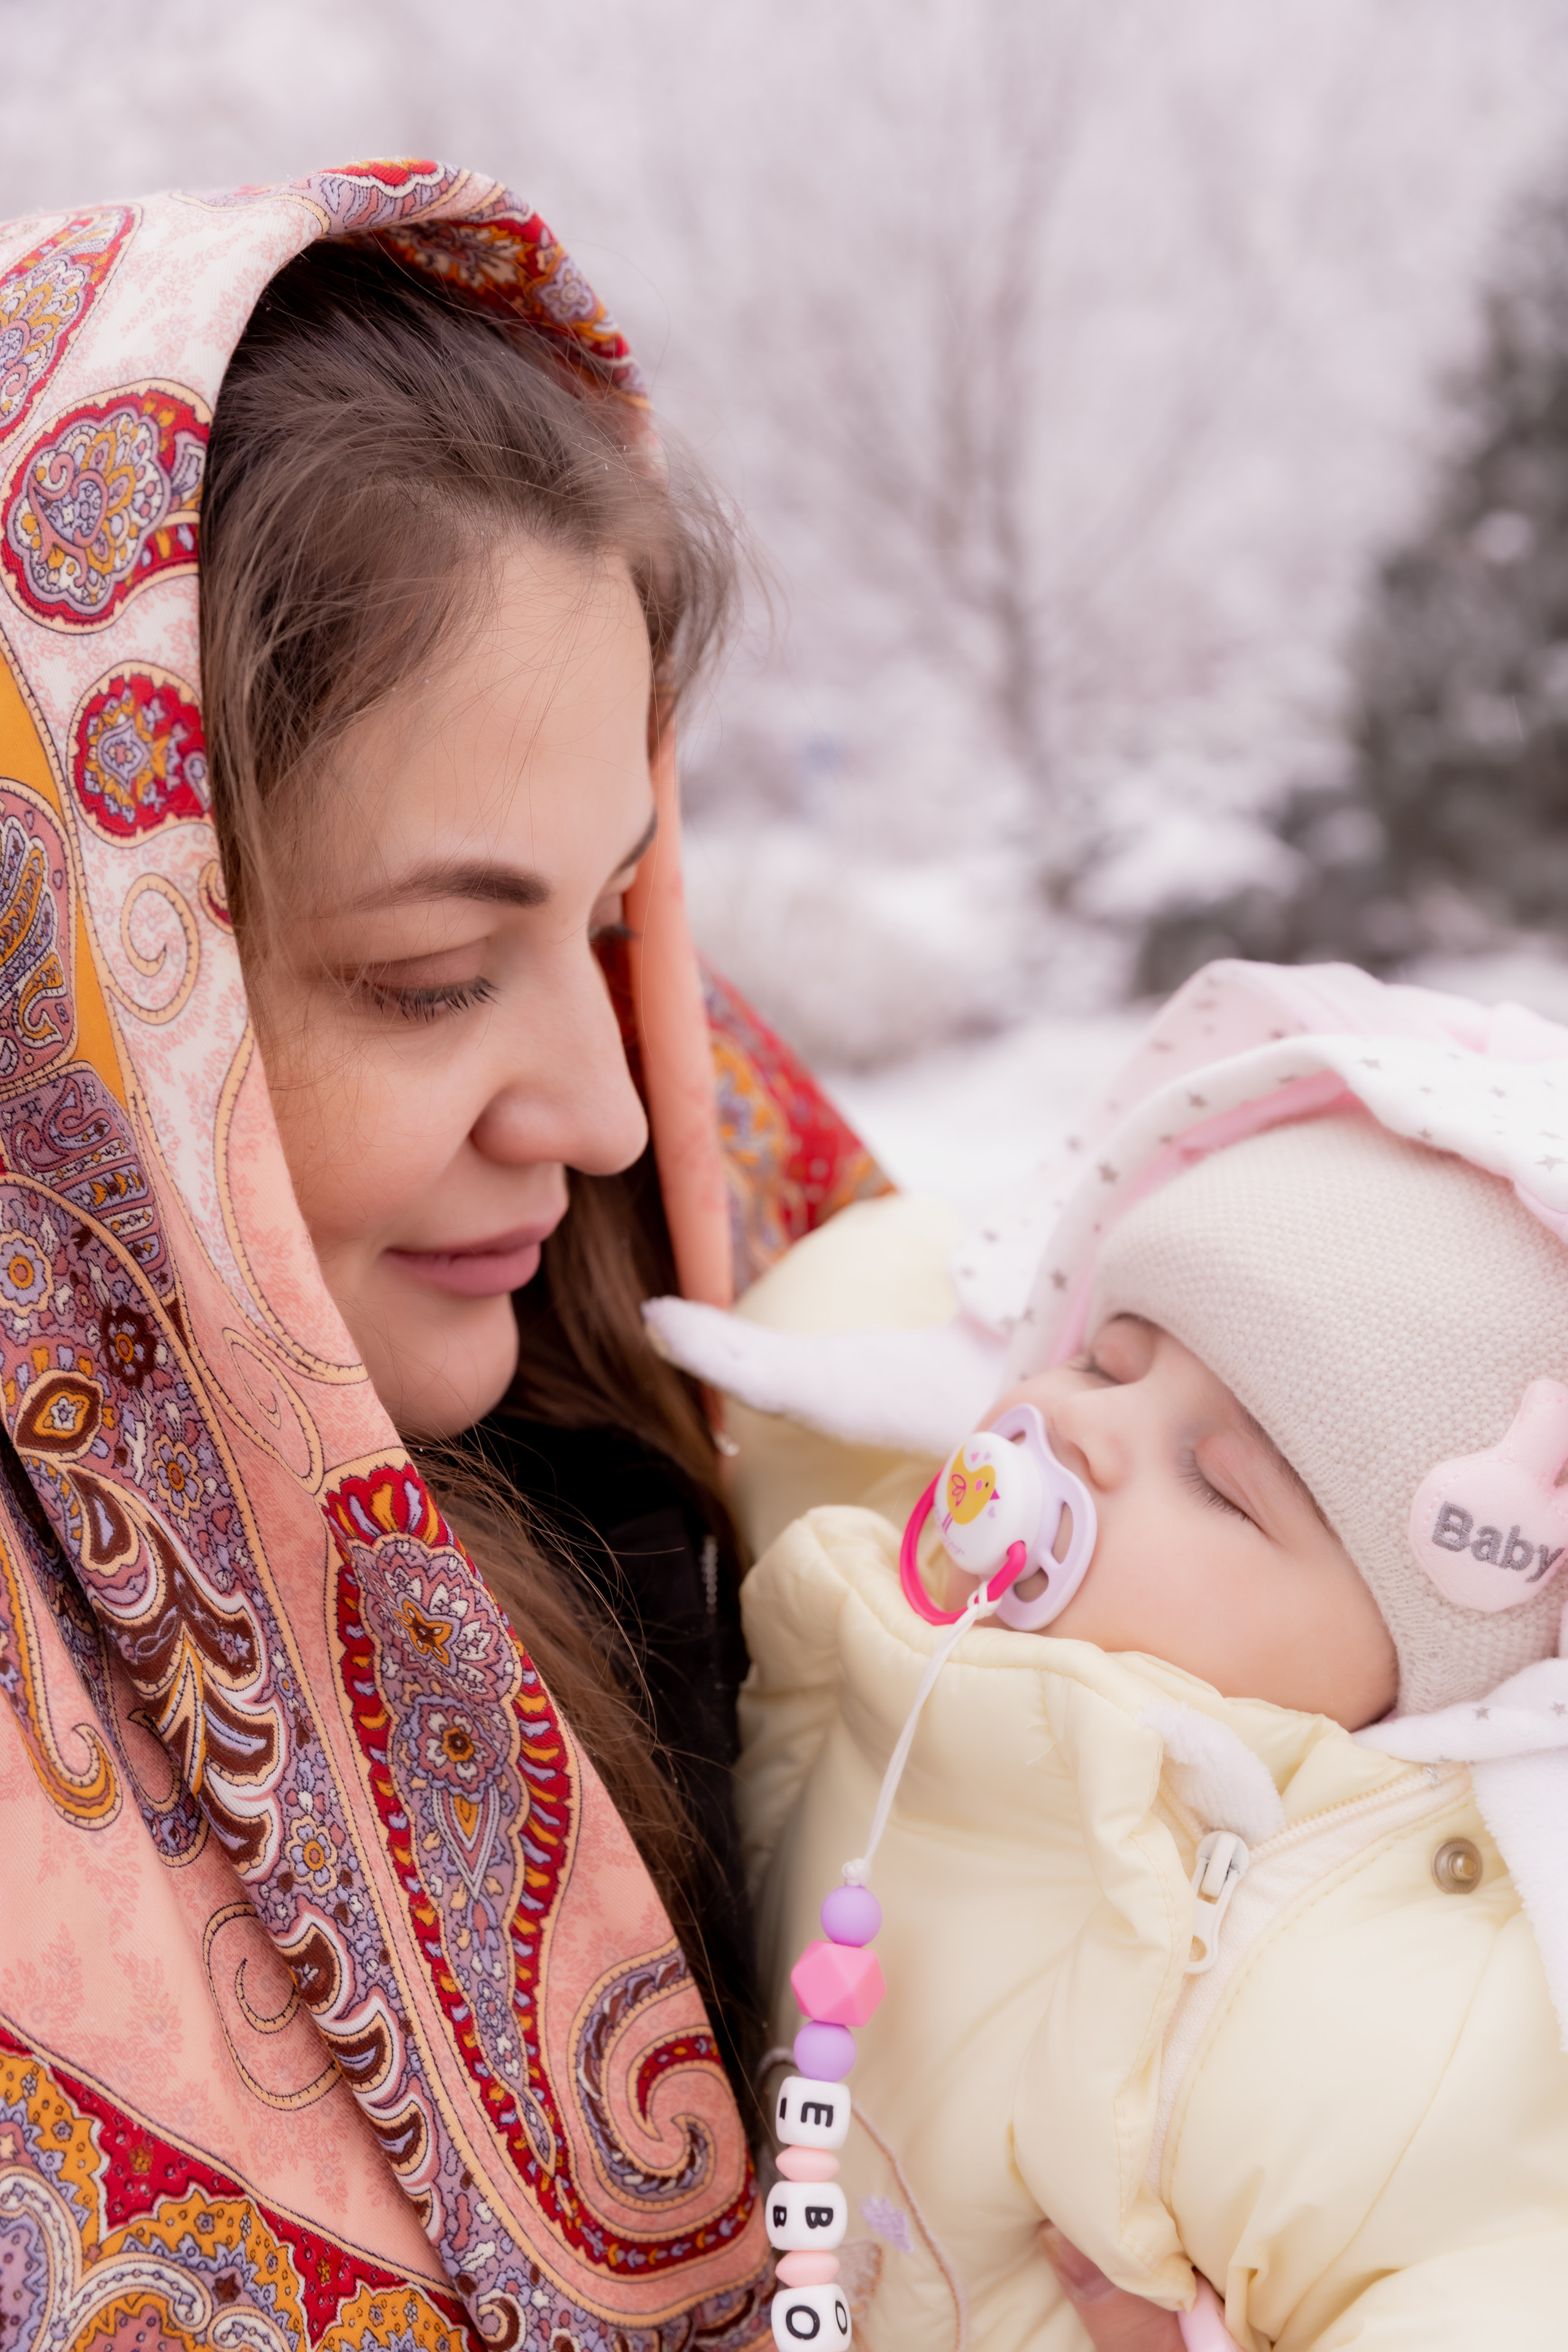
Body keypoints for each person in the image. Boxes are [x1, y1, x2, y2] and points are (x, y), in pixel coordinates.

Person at [0, 160, 886, 2352]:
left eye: (612, 924)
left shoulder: (739, 1256)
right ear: (75, 989)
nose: (597, 1112)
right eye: (423, 979)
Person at [657, 958, 1568, 2349]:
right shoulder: (874, 1598)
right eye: (1105, 1362)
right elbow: (829, 1357)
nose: (1076, 1434)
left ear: (1416, 1676)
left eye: (1218, 1484)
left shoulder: (1391, 2019)